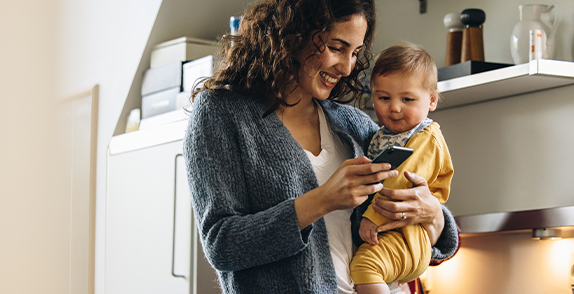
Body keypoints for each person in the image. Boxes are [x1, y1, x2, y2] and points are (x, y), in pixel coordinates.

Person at [183, 1, 459, 293]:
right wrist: (323, 199)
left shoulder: (352, 124)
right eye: (337, 47)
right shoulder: (221, 113)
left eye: (355, 52)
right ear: (293, 35)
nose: (347, 66)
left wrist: (433, 214)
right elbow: (222, 245)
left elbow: (427, 232)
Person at [349, 42, 454, 294]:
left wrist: (370, 218)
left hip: (410, 233)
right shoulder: (382, 134)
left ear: (431, 100)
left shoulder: (426, 137)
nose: (394, 107)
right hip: (398, 231)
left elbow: (401, 182)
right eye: (383, 98)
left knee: (365, 267)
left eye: (407, 99)